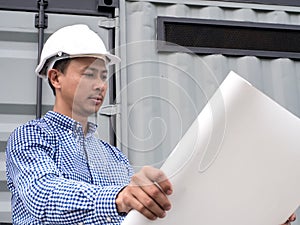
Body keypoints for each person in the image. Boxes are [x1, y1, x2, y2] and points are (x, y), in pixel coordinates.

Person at [6, 24, 172, 224]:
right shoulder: (29, 137)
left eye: (103, 76)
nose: (100, 85)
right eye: (89, 74)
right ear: (56, 78)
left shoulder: (114, 156)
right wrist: (119, 197)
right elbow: (44, 196)